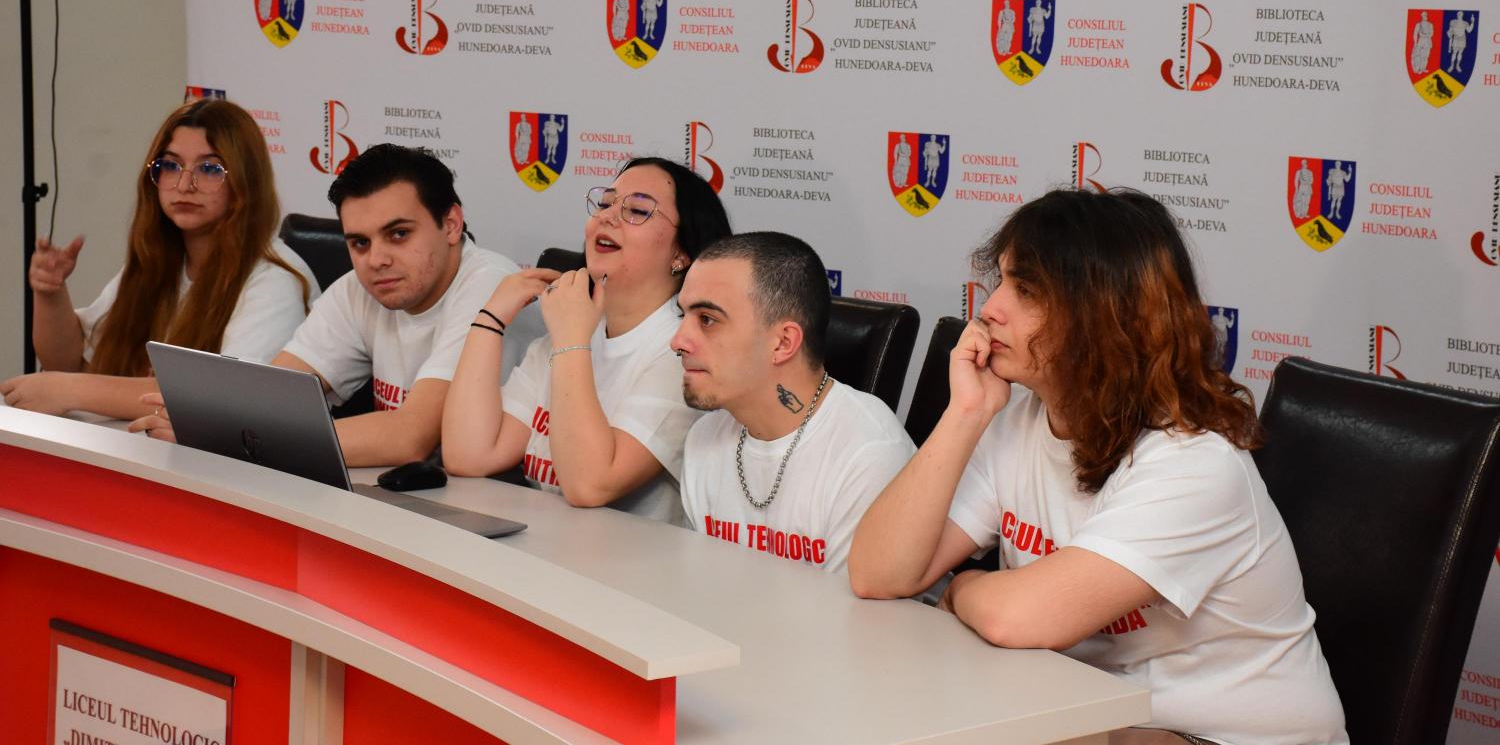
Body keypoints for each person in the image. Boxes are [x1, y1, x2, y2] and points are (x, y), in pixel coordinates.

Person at [849, 188, 1347, 745]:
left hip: (1224, 735)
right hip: (1093, 713)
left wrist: (962, 586)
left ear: (1104, 315)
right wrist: (965, 413)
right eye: (1002, 282)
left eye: (1026, 291)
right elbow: (876, 573)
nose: (990, 309)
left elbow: (1021, 618)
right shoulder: (1017, 418)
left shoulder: (1196, 462)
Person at [132, 143, 523, 467]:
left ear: (451, 224)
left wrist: (224, 437)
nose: (376, 259)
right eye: (360, 243)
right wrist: (212, 420)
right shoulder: (361, 288)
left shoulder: (492, 285)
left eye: (399, 234)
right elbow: (267, 397)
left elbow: (410, 437)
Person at [442, 157, 730, 525]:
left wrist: (571, 340)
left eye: (637, 210)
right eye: (606, 204)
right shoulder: (571, 329)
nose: (607, 217)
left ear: (681, 253)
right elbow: (469, 456)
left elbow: (589, 485)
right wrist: (490, 318)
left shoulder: (683, 353)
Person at [1, 99, 316, 419]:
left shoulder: (275, 280)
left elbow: (223, 398)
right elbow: (68, 363)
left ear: (246, 182)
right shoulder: (158, 260)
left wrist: (71, 390)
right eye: (171, 166)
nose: (184, 185)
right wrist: (50, 293)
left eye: (209, 169)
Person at [672, 232, 914, 572]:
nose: (678, 341)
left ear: (784, 343)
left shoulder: (868, 455)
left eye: (707, 320)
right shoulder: (704, 437)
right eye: (681, 316)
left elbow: (849, 608)